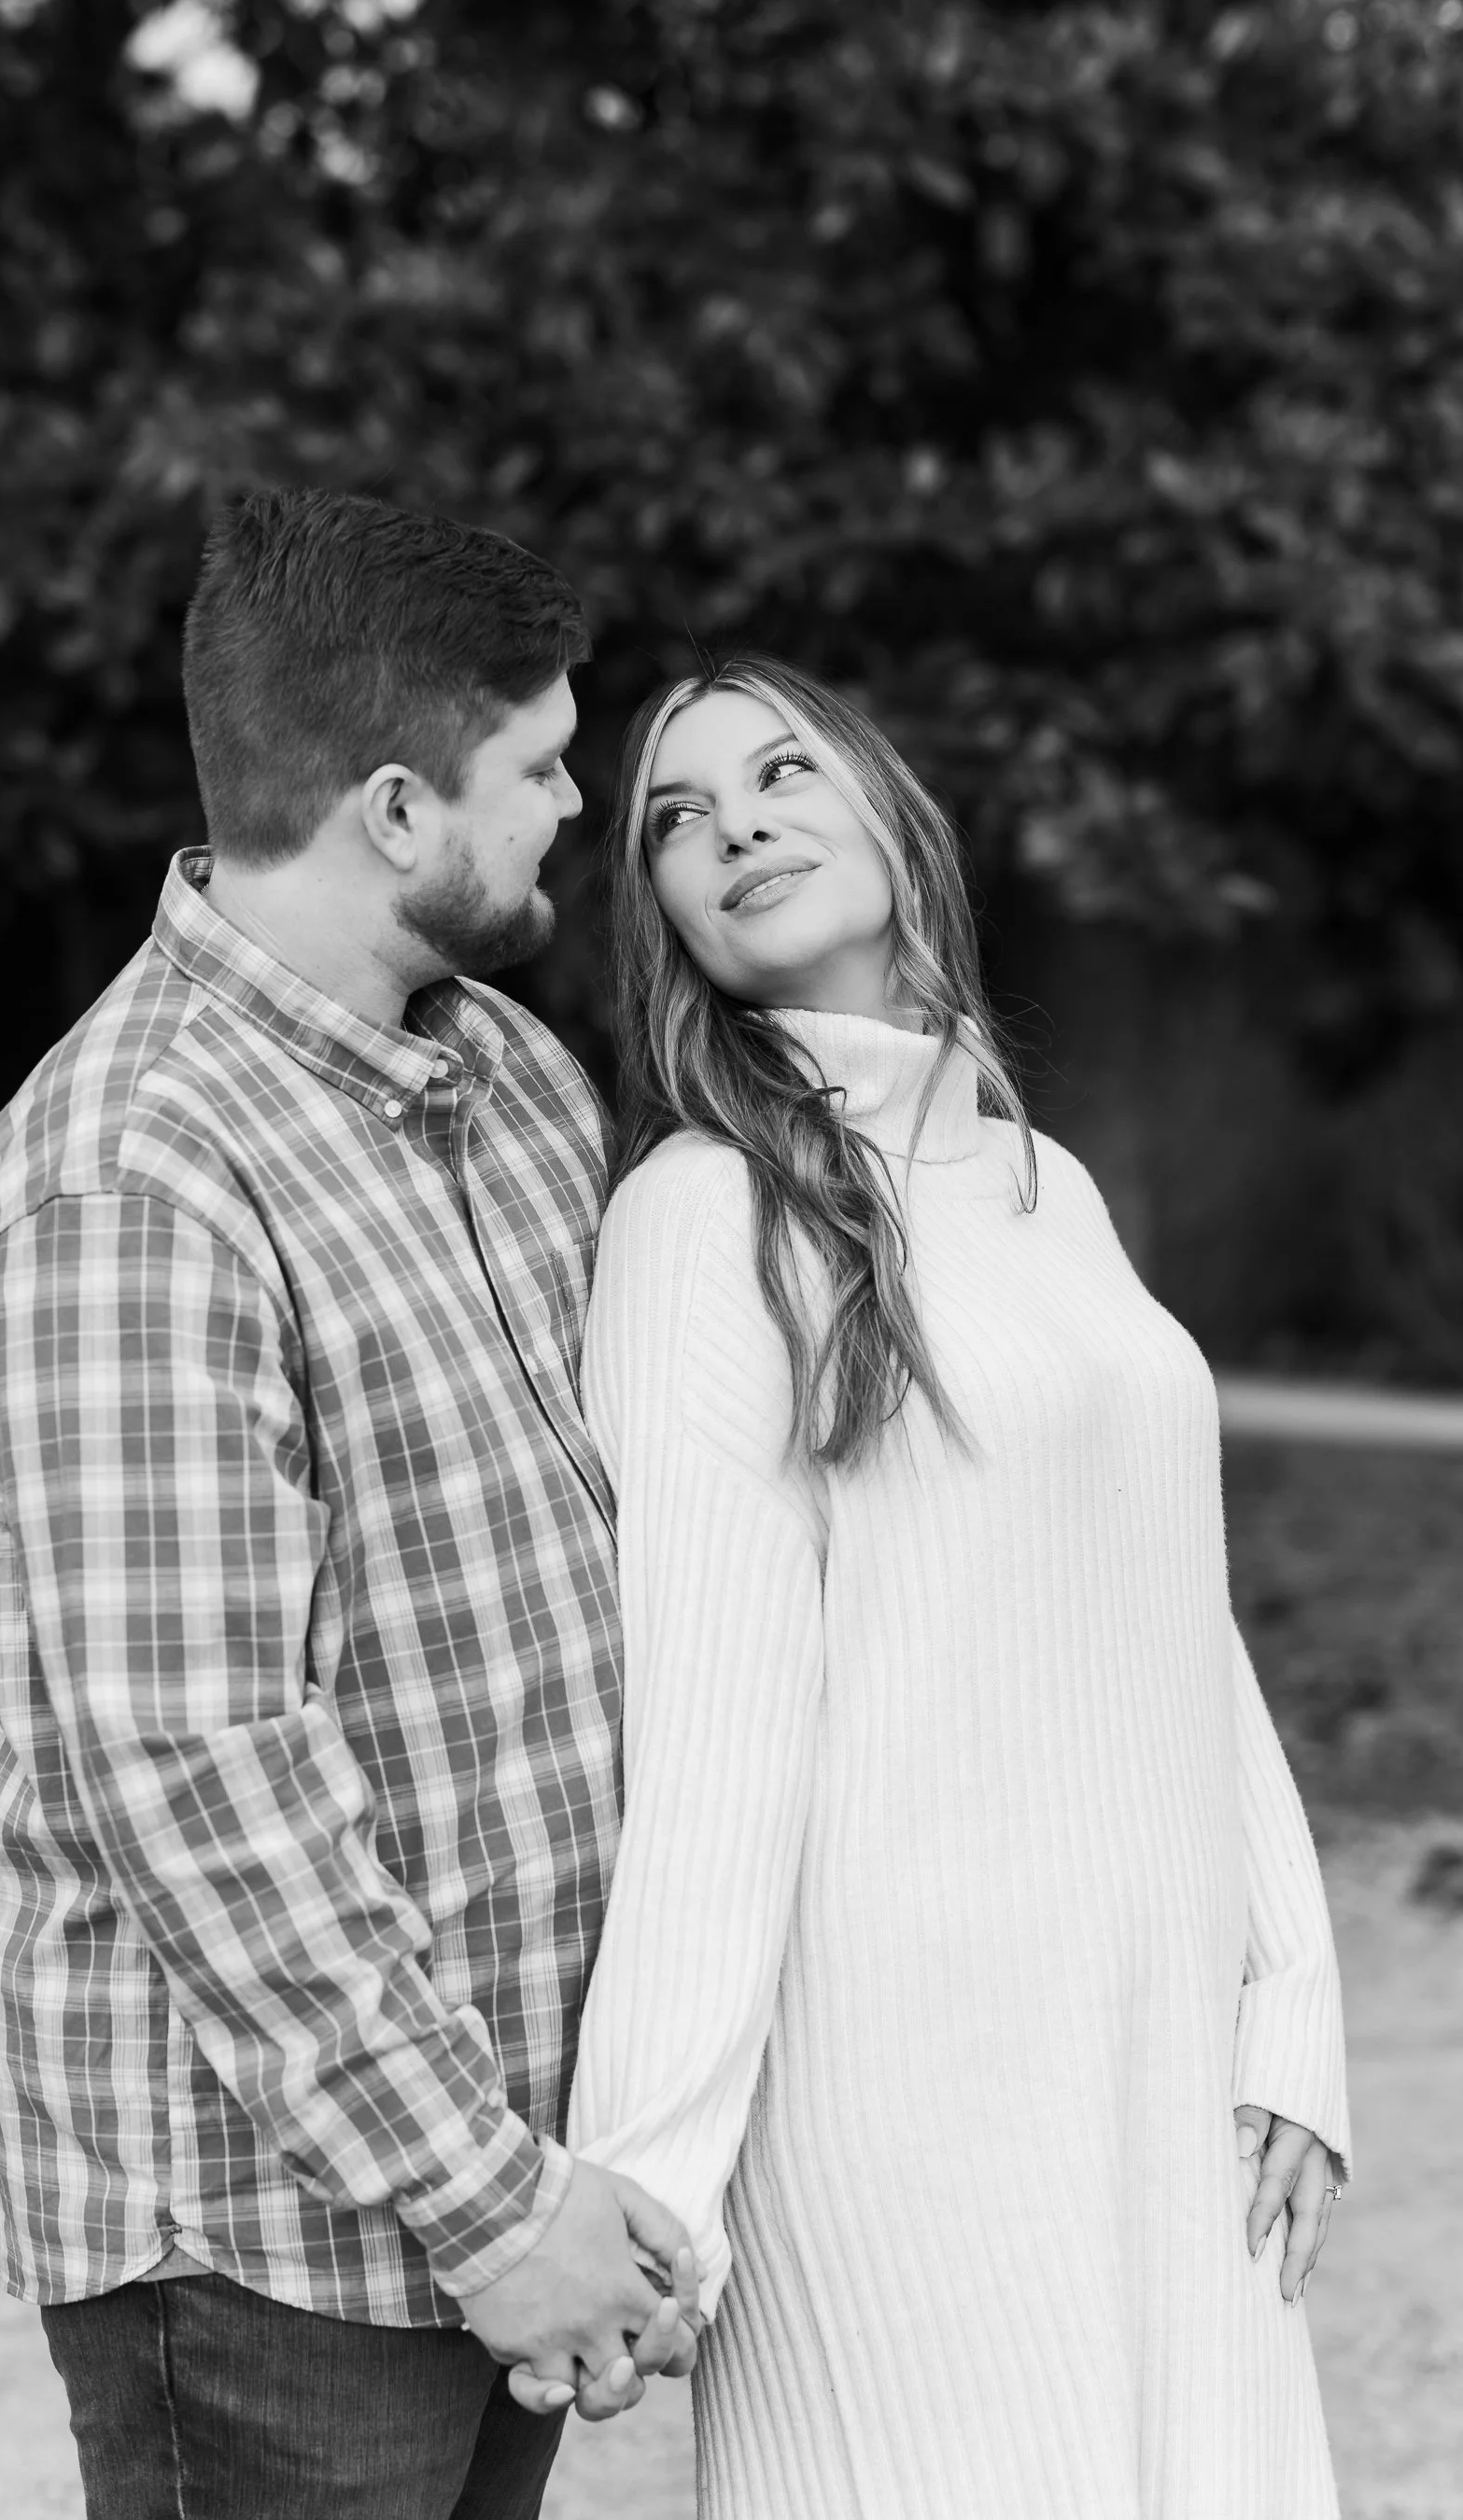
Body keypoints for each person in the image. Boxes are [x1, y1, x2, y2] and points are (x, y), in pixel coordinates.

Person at [0, 488, 700, 2520]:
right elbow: (192, 1771)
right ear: (395, 809)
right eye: (537, 765)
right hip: (271, 2234)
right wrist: (485, 2205)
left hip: (506, 2164)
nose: (579, 805)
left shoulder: (514, 1079)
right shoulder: (133, 1180)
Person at [518, 655, 1352, 2517]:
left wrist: (1290, 1999)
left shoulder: (1041, 1180)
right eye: (673, 815)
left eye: (782, 770)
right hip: (908, 2103)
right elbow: (710, 1737)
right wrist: (645, 2182)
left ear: (896, 815)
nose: (735, 824)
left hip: (1148, 2068)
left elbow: (1167, 1606)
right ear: (659, 921)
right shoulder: (703, 1215)